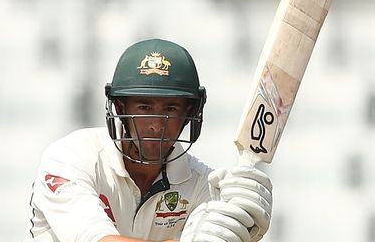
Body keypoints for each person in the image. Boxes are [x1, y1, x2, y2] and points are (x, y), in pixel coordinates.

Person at [25, 38, 273, 242]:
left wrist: (246, 226)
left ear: (189, 114)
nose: (156, 124)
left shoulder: (200, 186)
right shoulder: (72, 157)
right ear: (121, 107)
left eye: (171, 108)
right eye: (144, 107)